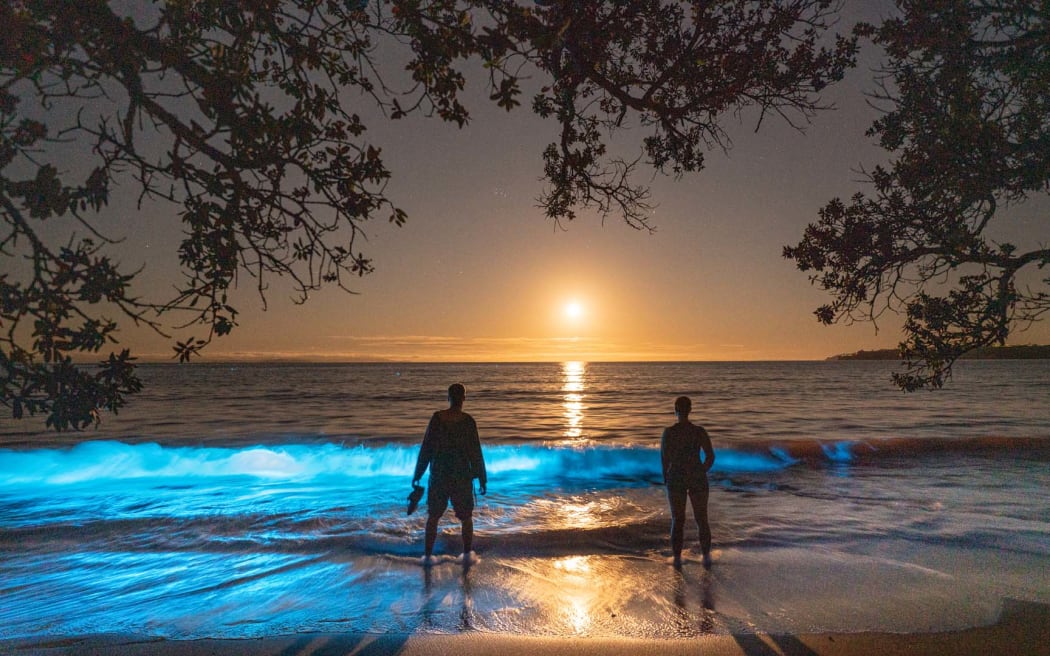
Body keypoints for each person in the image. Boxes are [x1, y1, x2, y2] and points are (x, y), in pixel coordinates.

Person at [412, 383, 487, 566]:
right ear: (463, 398)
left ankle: (428, 557)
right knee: (466, 517)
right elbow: (475, 452)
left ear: (448, 397)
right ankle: (468, 555)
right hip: (462, 476)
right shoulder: (468, 421)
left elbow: (426, 448)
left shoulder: (437, 419)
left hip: (439, 475)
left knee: (433, 516)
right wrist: (482, 478)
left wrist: (418, 473)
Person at [660, 395, 715, 569]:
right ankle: (706, 557)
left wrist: (666, 478)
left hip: (676, 477)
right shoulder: (699, 431)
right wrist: (701, 471)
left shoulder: (669, 433)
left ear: (675, 410)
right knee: (702, 519)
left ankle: (677, 559)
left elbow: (664, 460)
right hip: (697, 477)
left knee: (678, 520)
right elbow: (710, 456)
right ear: (690, 410)